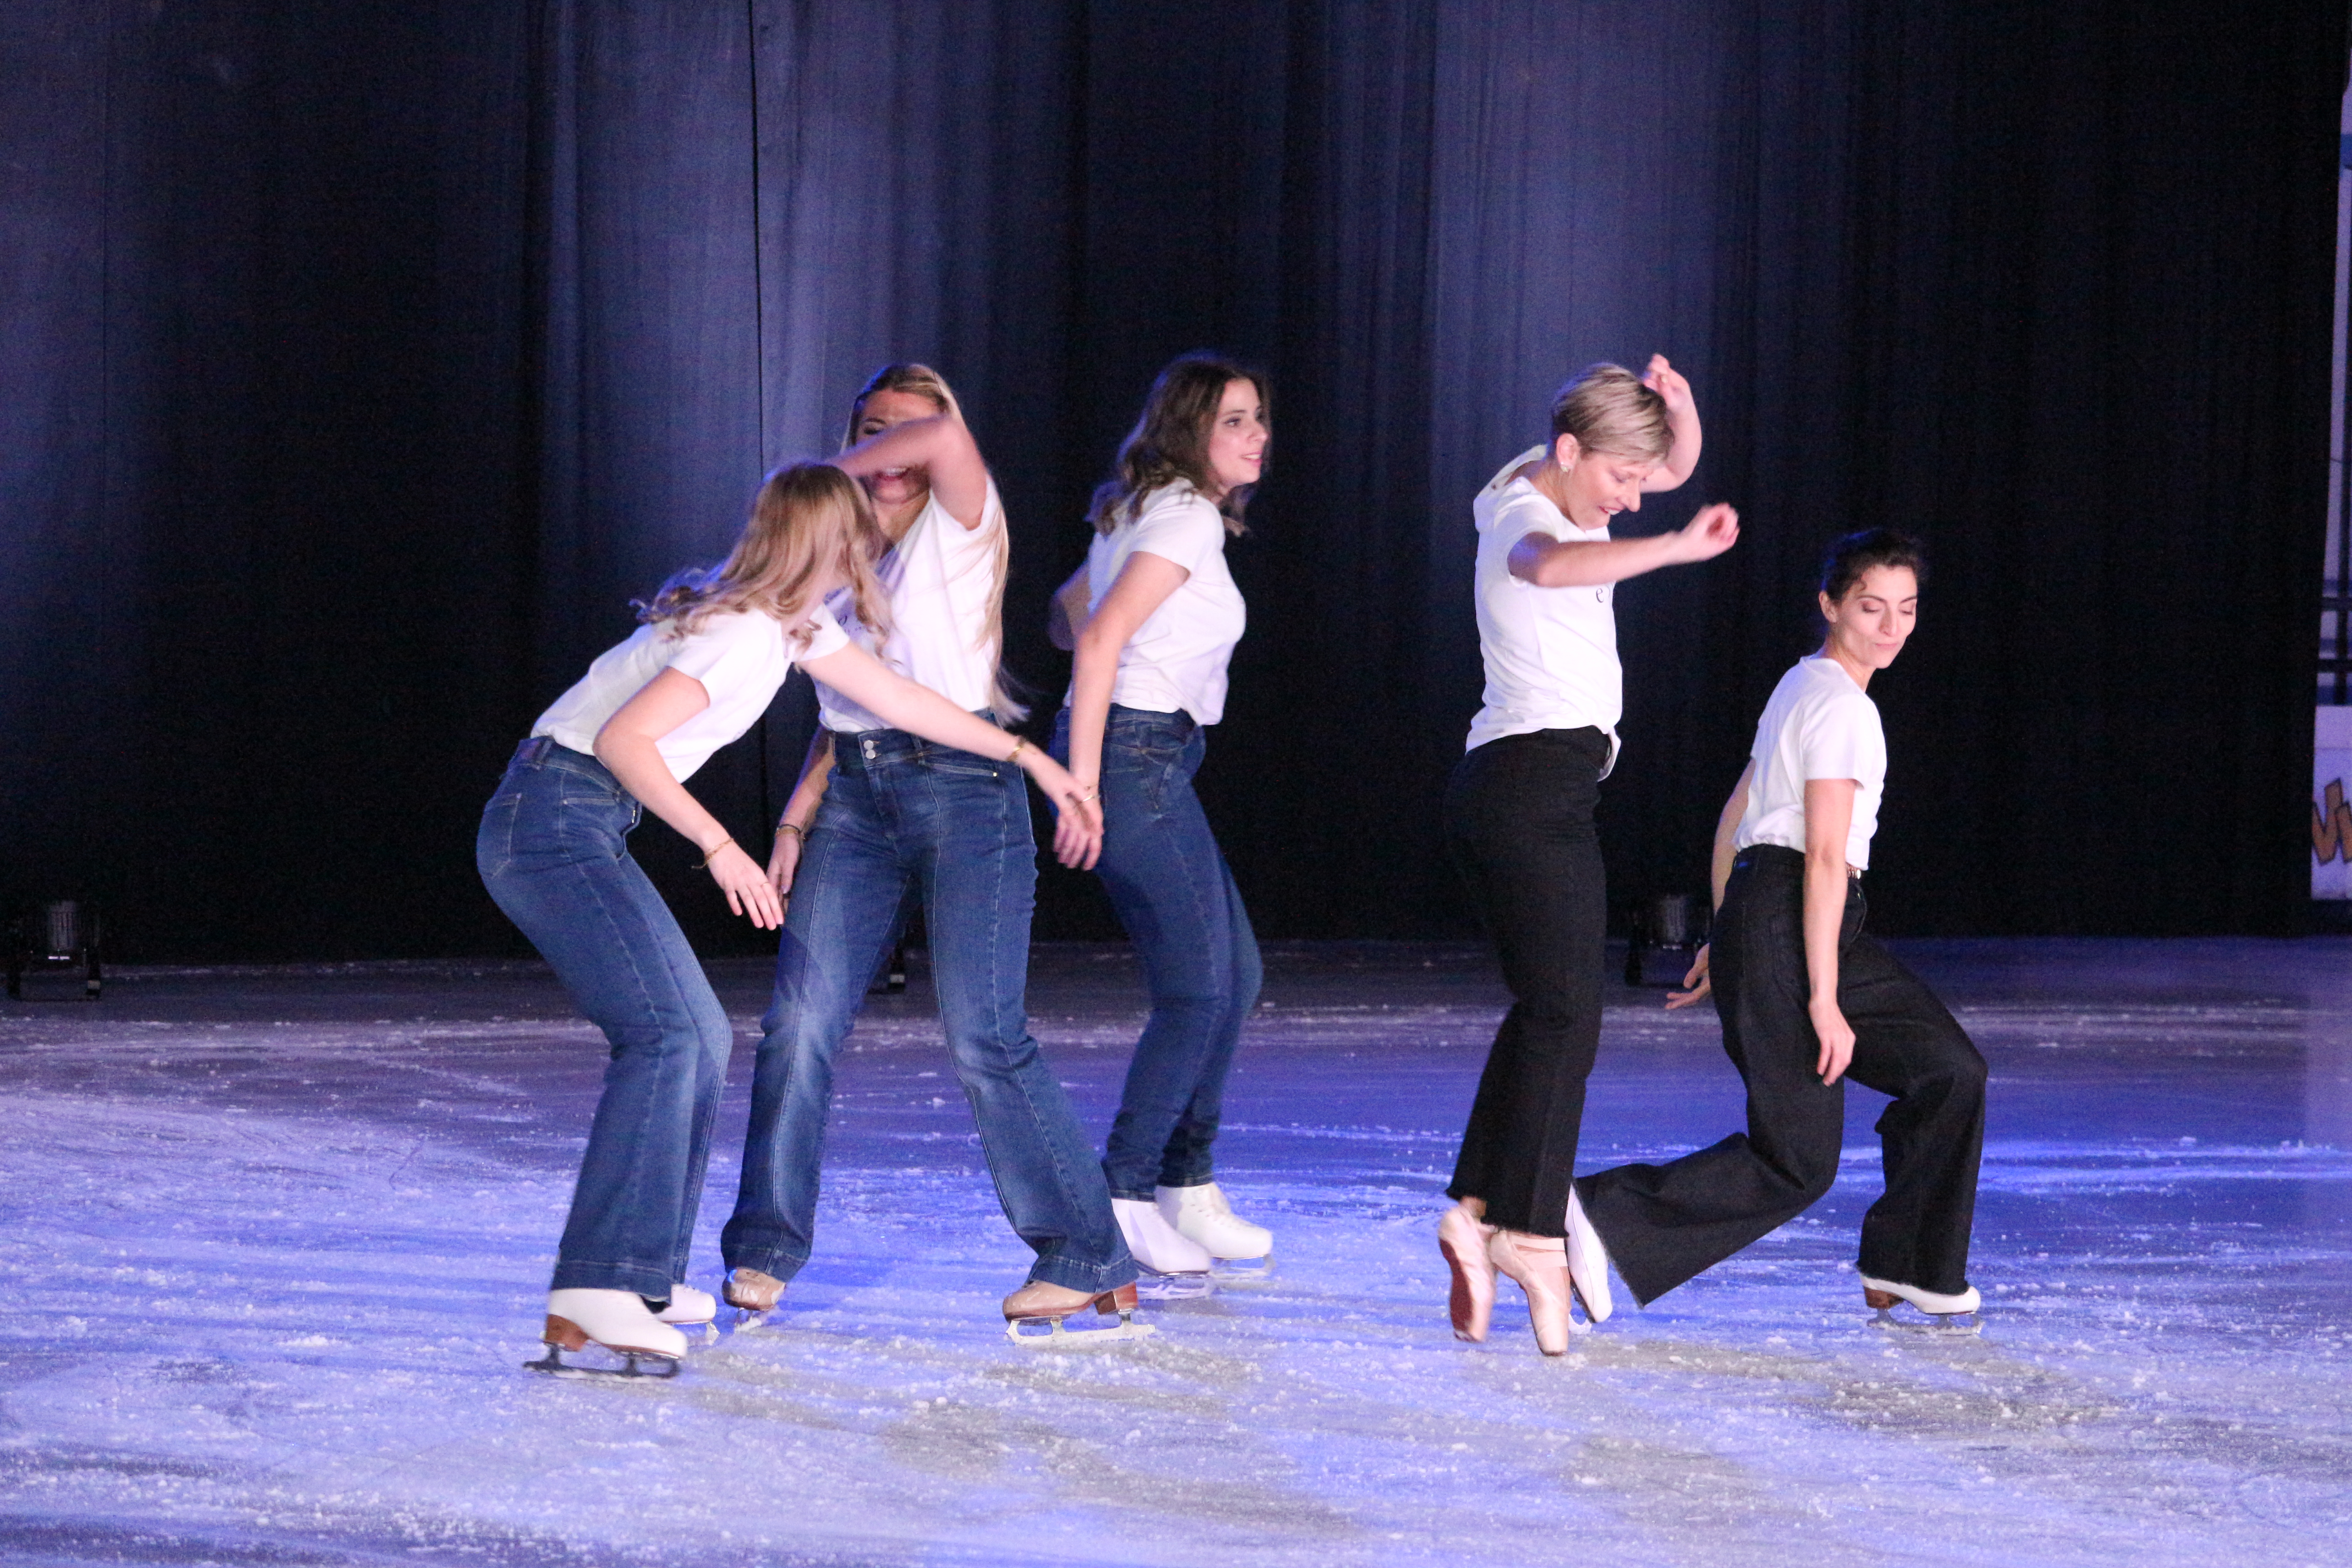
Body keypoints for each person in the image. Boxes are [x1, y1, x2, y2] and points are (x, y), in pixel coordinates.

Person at [480, 463, 1102, 1375]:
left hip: (570, 817)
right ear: (833, 542)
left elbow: (904, 702)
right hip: (551, 818)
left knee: (689, 1034)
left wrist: (1029, 758)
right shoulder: (741, 633)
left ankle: (638, 1275)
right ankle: (600, 1285)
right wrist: (723, 847)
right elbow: (622, 742)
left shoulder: (786, 625)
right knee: (673, 1034)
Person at [722, 366, 1143, 1336]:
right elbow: (849, 705)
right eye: (874, 433)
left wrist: (828, 475)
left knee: (984, 1036)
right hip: (859, 802)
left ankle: (1085, 1251)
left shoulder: (963, 528)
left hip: (965, 794)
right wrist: (794, 819)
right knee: (800, 1026)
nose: (892, 456)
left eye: (904, 436)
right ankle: (764, 1247)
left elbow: (944, 447)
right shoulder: (835, 563)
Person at [1566, 529, 1988, 1330]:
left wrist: (1725, 936)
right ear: (1831, 606)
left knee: (1949, 1071)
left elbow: (1735, 819)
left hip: (1786, 919)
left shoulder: (1802, 686)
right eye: (1871, 607)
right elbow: (1825, 856)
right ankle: (1597, 1211)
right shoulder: (1842, 707)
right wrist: (1822, 997)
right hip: (1800, 915)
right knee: (1797, 1160)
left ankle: (1911, 1265)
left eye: (1906, 609)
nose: (1891, 627)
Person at [1437, 358, 1740, 1356]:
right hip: (1533, 787)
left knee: (1551, 1009)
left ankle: (1479, 1209)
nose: (1635, 495)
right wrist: (1671, 552)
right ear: (1570, 454)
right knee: (1568, 1011)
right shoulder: (1525, 523)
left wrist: (1681, 415)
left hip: (1528, 787)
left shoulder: (1551, 471)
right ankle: (1525, 1231)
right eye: (1622, 479)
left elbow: (1659, 467)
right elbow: (1550, 568)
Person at [1046, 353, 1272, 1286]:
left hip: (1152, 753)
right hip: (1131, 756)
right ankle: (1126, 1194)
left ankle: (1187, 1184)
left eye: (1259, 418)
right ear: (1190, 431)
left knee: (1237, 973)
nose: (1257, 436)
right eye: (1234, 421)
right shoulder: (1181, 517)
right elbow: (1095, 638)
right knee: (1199, 989)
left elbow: (1070, 612)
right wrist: (1084, 784)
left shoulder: (1147, 512)